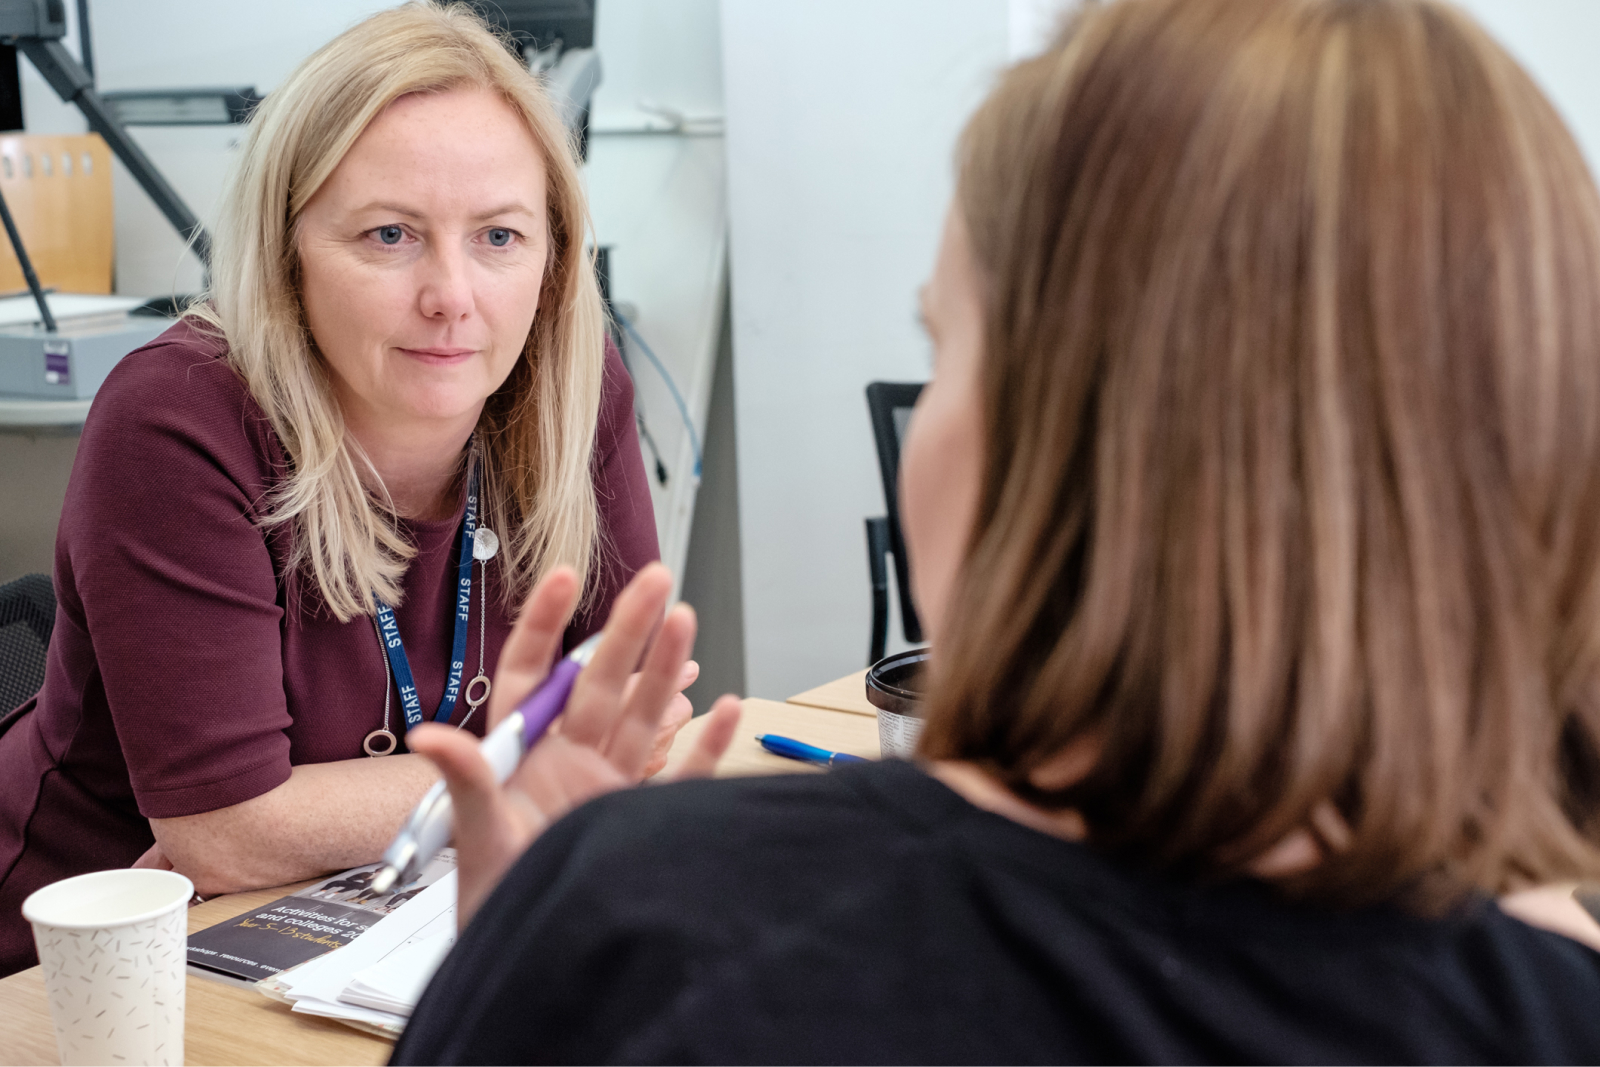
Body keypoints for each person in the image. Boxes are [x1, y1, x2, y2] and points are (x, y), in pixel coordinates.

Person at [394, 0, 1600, 1061]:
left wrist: (522, 965)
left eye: (945, 344)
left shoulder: (656, 925)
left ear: (1060, 424)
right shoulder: (1545, 1008)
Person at [0, 3, 689, 977]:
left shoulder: (574, 387)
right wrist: (535, 769)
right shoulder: (176, 417)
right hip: (88, 964)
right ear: (287, 257)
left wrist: (302, 819)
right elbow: (225, 833)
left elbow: (632, 718)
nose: (453, 293)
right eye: (390, 234)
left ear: (553, 256)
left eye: (498, 236)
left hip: (390, 916)